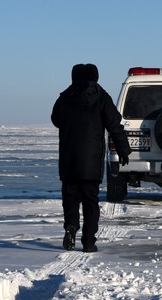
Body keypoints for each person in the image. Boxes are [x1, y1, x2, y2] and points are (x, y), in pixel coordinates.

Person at [51, 63, 131, 252]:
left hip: (69, 159)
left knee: (70, 198)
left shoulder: (65, 97)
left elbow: (56, 120)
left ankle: (71, 227)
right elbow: (115, 125)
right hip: (91, 161)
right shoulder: (102, 97)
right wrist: (123, 150)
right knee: (90, 201)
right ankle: (88, 242)